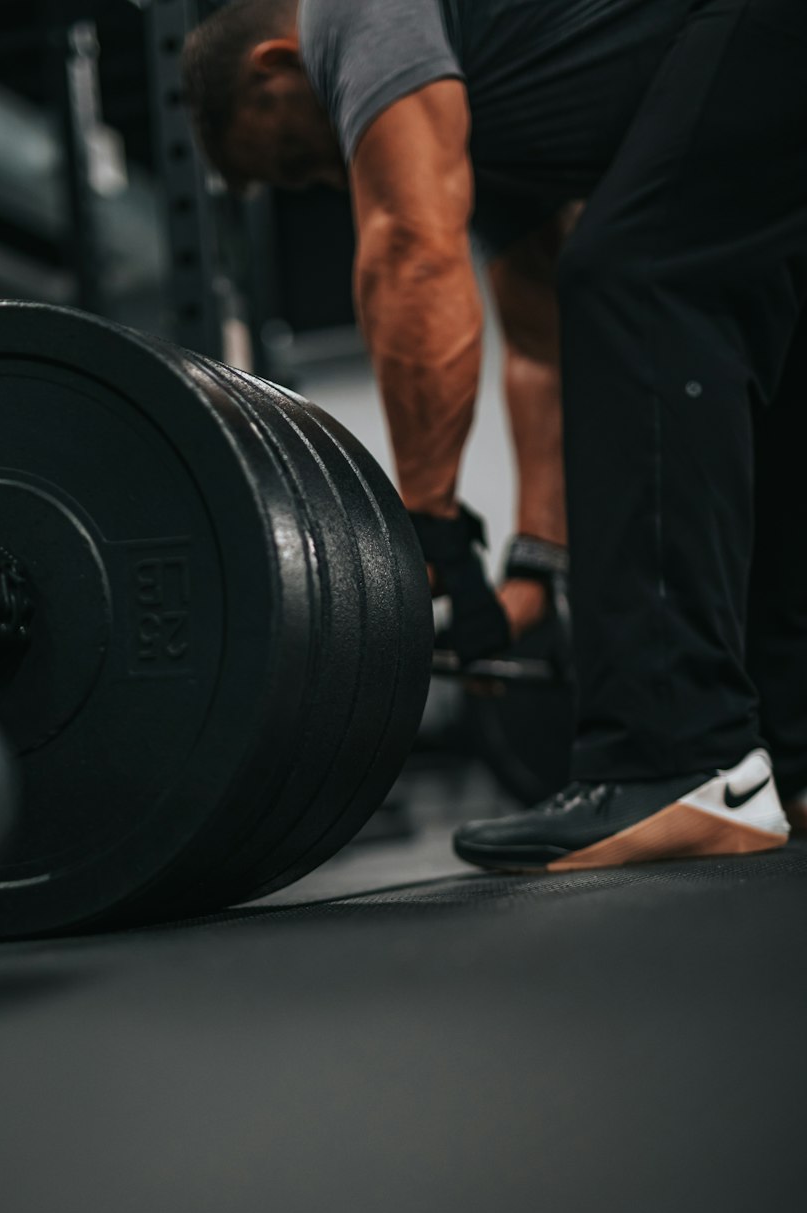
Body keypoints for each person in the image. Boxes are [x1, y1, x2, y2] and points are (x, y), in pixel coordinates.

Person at [182, 0, 807, 870]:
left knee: (635, 275)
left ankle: (678, 759)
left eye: (298, 159)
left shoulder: (349, 16)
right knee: (746, 343)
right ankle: (793, 756)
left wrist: (430, 524)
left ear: (277, 67)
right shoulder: (508, 107)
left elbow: (412, 249)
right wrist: (532, 567)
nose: (330, 180)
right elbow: (545, 344)